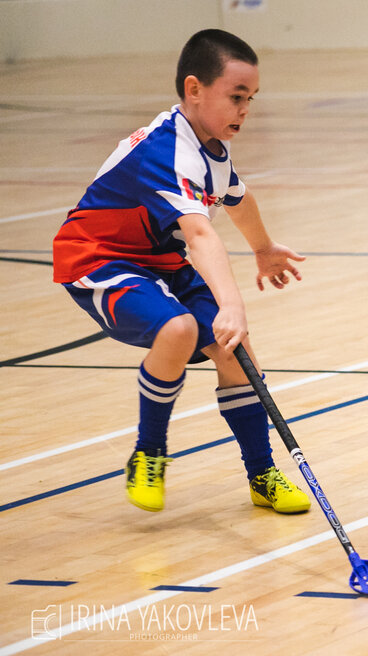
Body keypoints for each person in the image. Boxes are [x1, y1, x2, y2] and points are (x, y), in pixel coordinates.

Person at [52, 29, 310, 516]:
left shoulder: (209, 145)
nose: (245, 110)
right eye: (236, 97)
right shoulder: (166, 150)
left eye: (250, 99)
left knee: (239, 355)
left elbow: (238, 197)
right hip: (98, 258)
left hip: (160, 261)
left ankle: (262, 475)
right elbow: (201, 236)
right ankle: (149, 452)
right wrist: (232, 305)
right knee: (180, 328)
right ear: (194, 89)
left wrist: (264, 247)